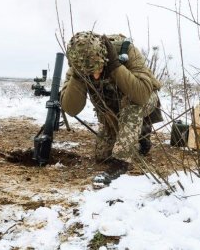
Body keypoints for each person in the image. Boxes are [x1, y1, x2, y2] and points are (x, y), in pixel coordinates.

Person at [60, 31, 162, 187]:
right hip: (113, 108)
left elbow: (141, 94)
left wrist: (115, 66)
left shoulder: (126, 51)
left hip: (142, 101)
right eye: (89, 73)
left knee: (132, 106)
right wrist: (78, 76)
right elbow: (71, 109)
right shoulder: (77, 65)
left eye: (97, 69)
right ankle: (135, 137)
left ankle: (121, 163)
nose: (95, 76)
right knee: (102, 155)